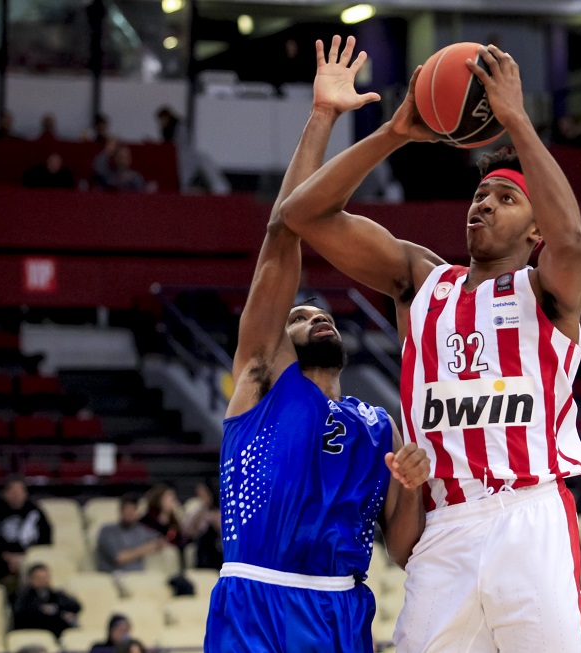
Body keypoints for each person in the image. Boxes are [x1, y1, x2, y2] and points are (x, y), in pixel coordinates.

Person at [281, 41, 581, 652]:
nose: (485, 204)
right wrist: (393, 133)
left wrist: (516, 120)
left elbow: (573, 241)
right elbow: (304, 215)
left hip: (528, 517)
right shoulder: (422, 281)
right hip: (445, 526)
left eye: (506, 199)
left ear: (536, 230)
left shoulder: (549, 291)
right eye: (481, 196)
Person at [203, 36, 430, 653]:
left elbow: (404, 548)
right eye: (298, 316)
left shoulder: (380, 426)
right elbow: (284, 231)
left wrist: (412, 486)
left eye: (319, 312)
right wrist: (324, 117)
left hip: (343, 608)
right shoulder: (262, 383)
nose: (314, 314)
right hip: (258, 600)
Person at [0, 475, 51, 584]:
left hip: (29, 556)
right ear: (4, 493)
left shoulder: (36, 512)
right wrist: (6, 556)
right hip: (1, 557)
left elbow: (46, 539)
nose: (16, 496)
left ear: (25, 494)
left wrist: (25, 557)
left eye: (20, 492)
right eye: (13, 492)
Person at [95, 493, 167, 573]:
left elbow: (162, 538)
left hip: (137, 575)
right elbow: (120, 558)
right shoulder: (107, 531)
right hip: (112, 575)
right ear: (120, 511)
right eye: (127, 509)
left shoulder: (141, 530)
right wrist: (146, 548)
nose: (129, 513)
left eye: (133, 509)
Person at [12, 562, 82, 636]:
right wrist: (43, 610)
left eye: (45, 577)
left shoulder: (55, 594)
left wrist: (55, 609)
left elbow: (76, 606)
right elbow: (20, 612)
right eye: (39, 577)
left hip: (56, 632)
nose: (43, 580)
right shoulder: (22, 595)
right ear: (30, 579)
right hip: (32, 631)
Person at [183, 481, 222, 570]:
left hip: (217, 544)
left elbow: (223, 532)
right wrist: (198, 517)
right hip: (202, 545)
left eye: (203, 494)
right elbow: (189, 533)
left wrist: (214, 520)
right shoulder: (196, 511)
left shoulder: (219, 511)